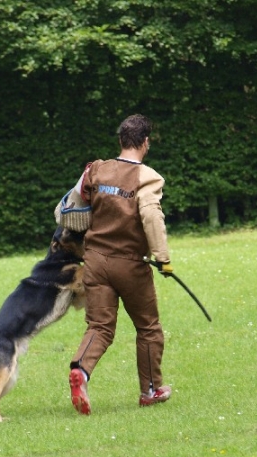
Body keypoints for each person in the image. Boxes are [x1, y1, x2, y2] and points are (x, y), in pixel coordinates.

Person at [68, 114, 173, 415]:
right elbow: (152, 217)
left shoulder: (97, 170)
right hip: (129, 265)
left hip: (96, 261)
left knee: (99, 326)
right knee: (148, 328)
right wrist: (163, 259)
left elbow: (75, 204)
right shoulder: (147, 177)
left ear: (121, 141)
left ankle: (81, 371)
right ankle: (151, 390)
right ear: (145, 142)